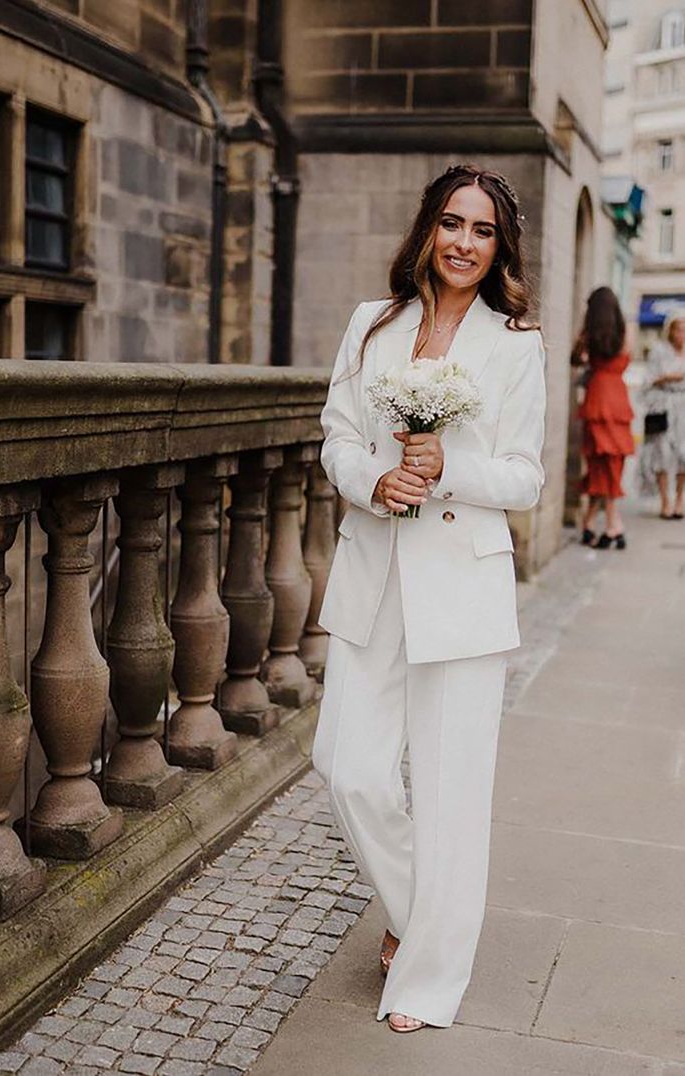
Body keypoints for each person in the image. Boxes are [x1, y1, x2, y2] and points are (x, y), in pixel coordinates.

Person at [311, 165, 546, 1034]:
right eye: (452, 224)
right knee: (348, 768)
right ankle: (416, 914)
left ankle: (426, 977)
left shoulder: (515, 345)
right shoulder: (371, 328)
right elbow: (336, 431)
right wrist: (375, 479)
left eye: (483, 231)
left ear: (500, 246)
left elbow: (525, 477)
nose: (464, 243)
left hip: (461, 583)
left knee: (451, 792)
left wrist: (452, 467)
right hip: (374, 569)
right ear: (427, 228)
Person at [571, 287, 635, 548]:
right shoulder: (625, 331)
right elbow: (627, 356)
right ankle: (609, 525)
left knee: (600, 462)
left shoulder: (589, 335)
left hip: (598, 397)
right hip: (618, 398)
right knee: (609, 462)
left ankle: (601, 524)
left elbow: (575, 360)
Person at [639, 314, 685, 519]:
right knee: (663, 454)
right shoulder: (659, 351)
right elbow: (648, 380)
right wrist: (668, 377)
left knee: (683, 456)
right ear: (670, 331)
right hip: (664, 407)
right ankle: (665, 501)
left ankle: (679, 501)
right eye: (678, 329)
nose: (681, 334)